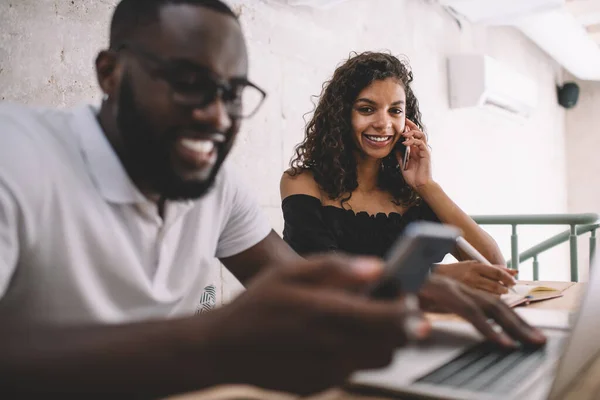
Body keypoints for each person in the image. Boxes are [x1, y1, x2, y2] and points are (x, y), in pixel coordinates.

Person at [0, 1, 545, 397]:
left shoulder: (215, 186)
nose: (216, 115)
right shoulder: (16, 156)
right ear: (110, 74)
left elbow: (307, 284)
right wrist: (213, 342)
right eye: (188, 81)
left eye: (232, 92)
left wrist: (415, 291)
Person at [281, 51, 517, 296]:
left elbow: (494, 264)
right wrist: (436, 276)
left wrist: (427, 185)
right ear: (342, 116)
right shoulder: (302, 183)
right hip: (331, 331)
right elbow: (325, 276)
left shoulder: (409, 196)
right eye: (367, 109)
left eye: (395, 111)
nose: (384, 123)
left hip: (404, 328)